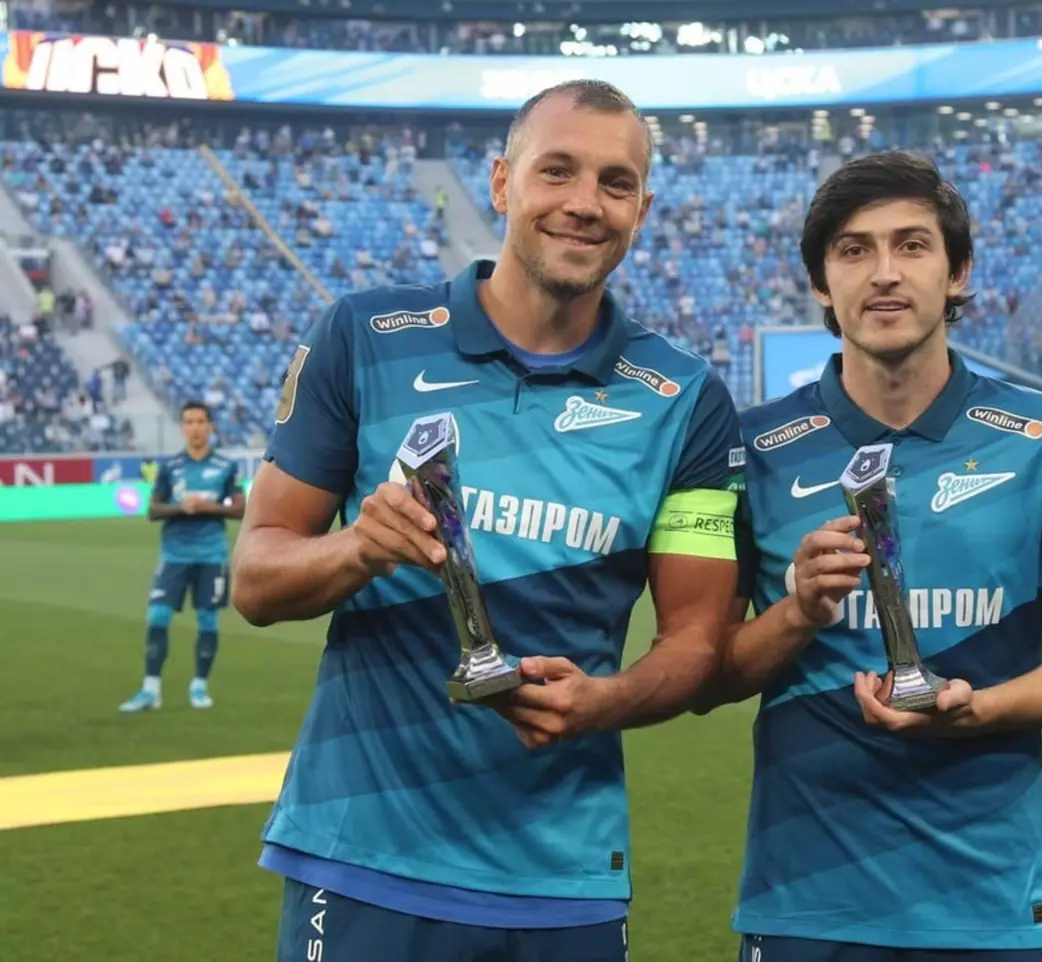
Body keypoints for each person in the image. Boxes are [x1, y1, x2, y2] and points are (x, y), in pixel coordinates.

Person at [231, 79, 741, 962]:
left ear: (643, 210)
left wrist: (605, 702)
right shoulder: (365, 337)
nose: (585, 203)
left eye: (616, 183)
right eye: (557, 171)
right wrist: (360, 548)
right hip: (364, 858)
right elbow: (255, 578)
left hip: (564, 879)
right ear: (503, 183)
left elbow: (697, 639)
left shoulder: (686, 398)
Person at [703, 151, 1042, 962]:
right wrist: (797, 613)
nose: (884, 273)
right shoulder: (753, 450)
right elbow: (708, 675)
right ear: (820, 282)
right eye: (853, 250)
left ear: (957, 271)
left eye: (912, 245)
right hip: (805, 908)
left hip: (992, 907)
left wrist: (981, 710)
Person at [119, 401, 244, 713]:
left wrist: (208, 507)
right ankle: (151, 690)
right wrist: (181, 507)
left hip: (211, 554)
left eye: (200, 421)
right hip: (174, 555)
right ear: (182, 427)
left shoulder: (226, 466)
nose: (195, 428)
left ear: (210, 427)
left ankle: (199, 686)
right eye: (189, 422)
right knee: (157, 617)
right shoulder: (170, 466)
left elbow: (241, 509)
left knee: (208, 620)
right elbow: (153, 510)